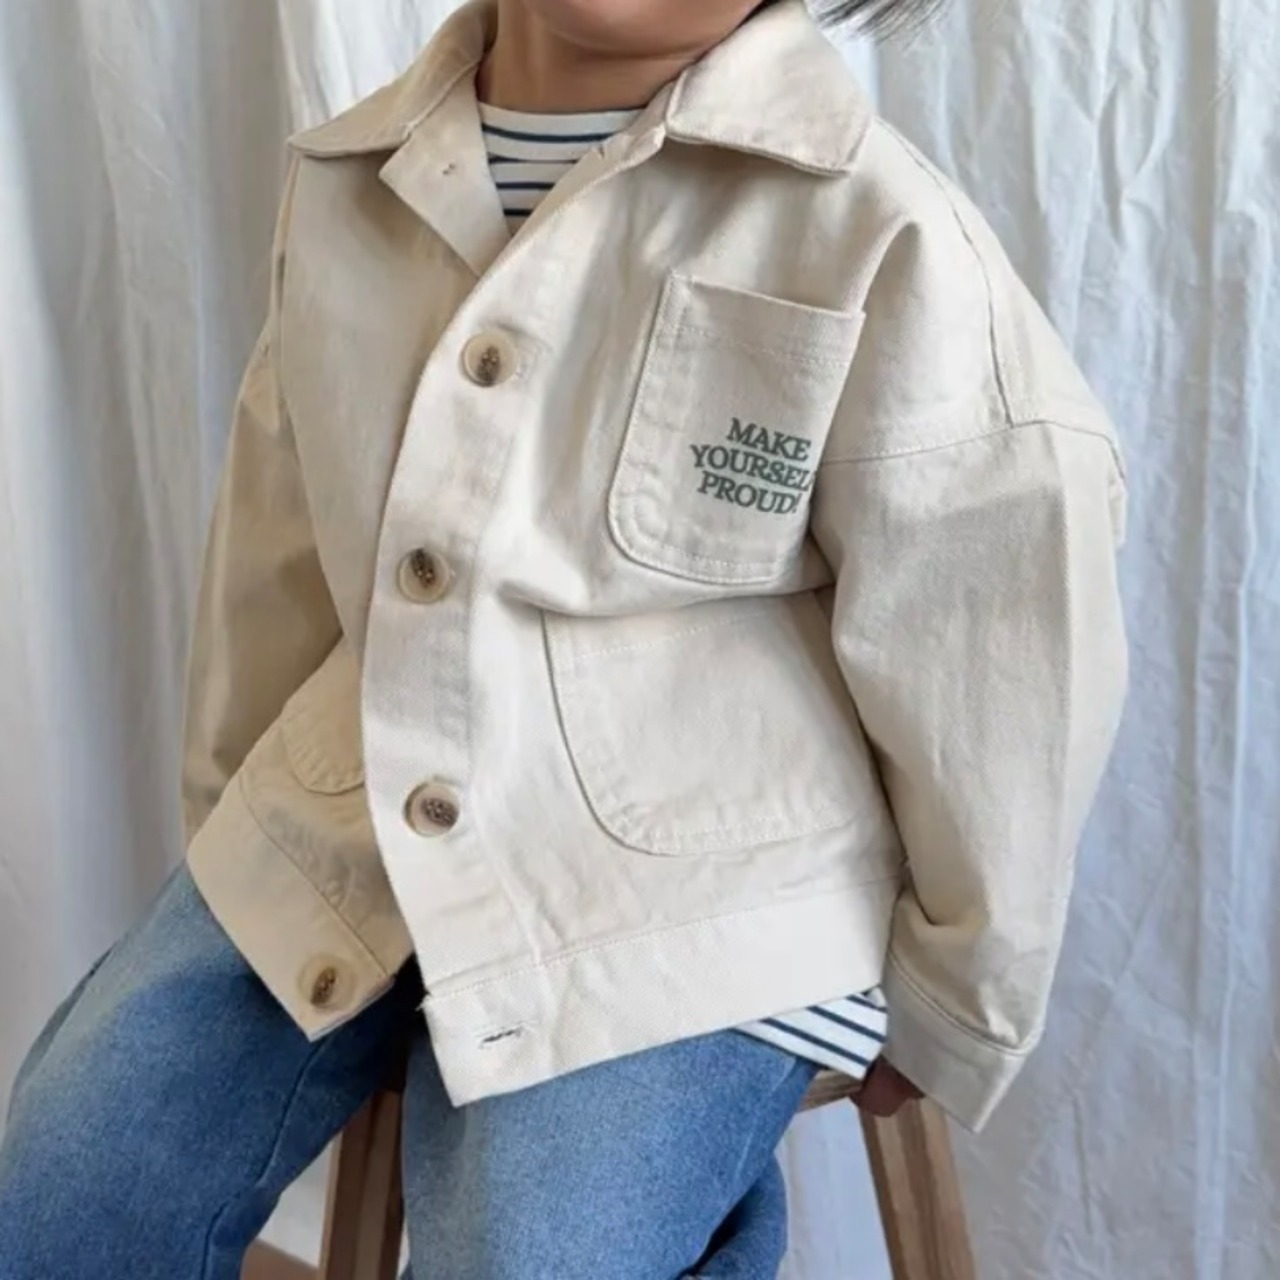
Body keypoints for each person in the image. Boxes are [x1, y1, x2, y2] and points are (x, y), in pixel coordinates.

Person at [0, 0, 1129, 1276]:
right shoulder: (347, 182)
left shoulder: (871, 226)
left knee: (530, 1251)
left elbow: (996, 628)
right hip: (351, 815)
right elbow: (276, 552)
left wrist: (955, 994)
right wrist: (234, 849)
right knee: (64, 1183)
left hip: (689, 887)